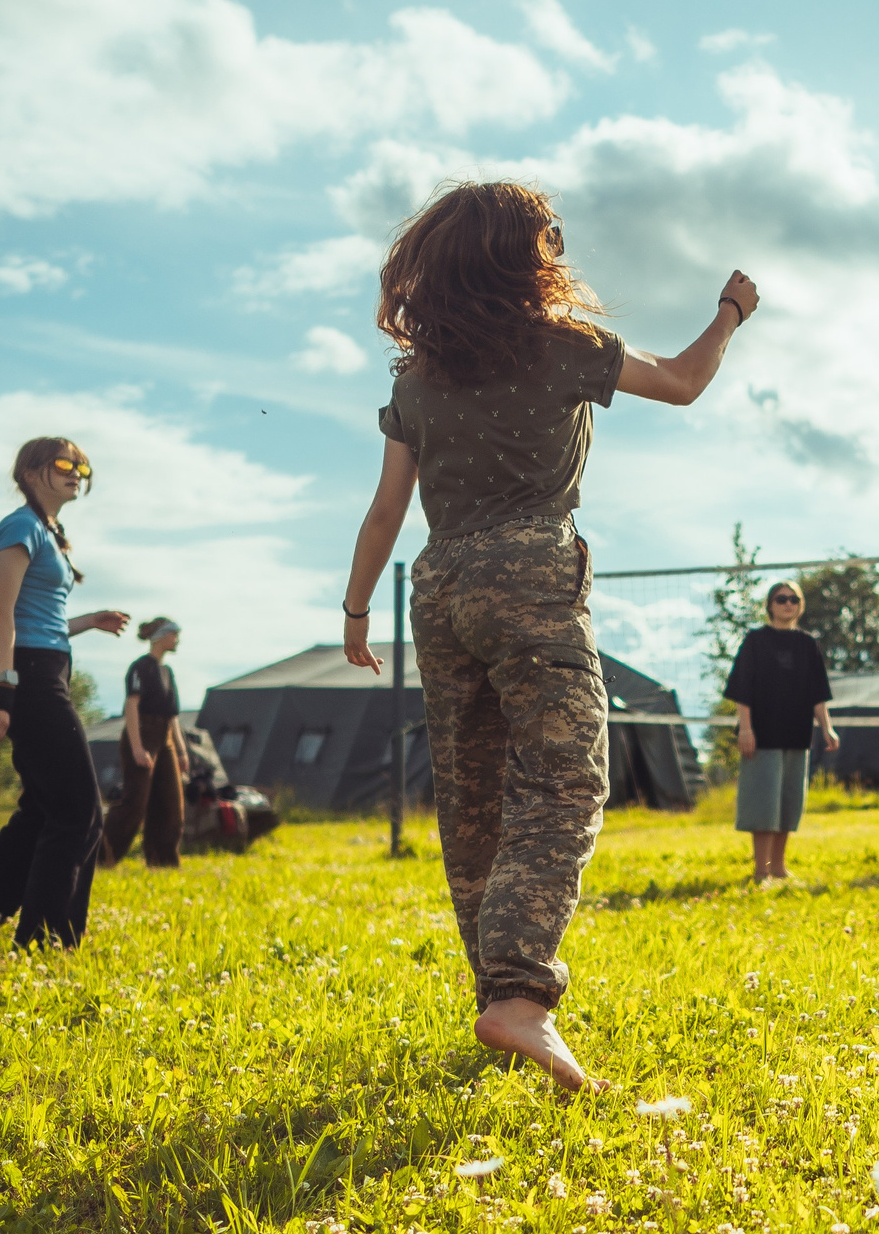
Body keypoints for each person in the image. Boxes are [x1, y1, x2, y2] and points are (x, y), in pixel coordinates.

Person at [340, 179, 759, 1092]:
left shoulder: (417, 378)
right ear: (524, 258)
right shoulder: (565, 344)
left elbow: (384, 510)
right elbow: (684, 382)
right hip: (531, 570)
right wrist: (729, 312)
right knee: (566, 778)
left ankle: (496, 993)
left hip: (438, 584)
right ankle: (522, 997)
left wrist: (355, 609)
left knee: (474, 798)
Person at [0, 438, 130, 948]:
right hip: (27, 676)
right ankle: (47, 940)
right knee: (79, 813)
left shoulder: (47, 531)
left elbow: (38, 621)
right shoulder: (20, 527)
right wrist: (4, 693)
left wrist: (89, 622)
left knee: (46, 806)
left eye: (83, 465)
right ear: (30, 472)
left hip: (44, 666)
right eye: (64, 463)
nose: (77, 472)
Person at [726, 582, 839, 881]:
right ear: (770, 605)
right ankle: (760, 870)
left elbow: (818, 693)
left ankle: (778, 867)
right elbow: (742, 689)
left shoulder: (808, 644)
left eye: (794, 599)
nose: (788, 604)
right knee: (764, 803)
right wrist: (746, 729)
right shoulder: (755, 640)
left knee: (789, 803)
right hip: (762, 736)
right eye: (781, 599)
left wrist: (827, 728)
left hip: (797, 734)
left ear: (800, 605)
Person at [101, 617, 188, 868]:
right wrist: (137, 747)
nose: (177, 640)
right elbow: (132, 705)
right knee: (135, 804)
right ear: (161, 636)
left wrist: (181, 752)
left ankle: (163, 861)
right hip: (142, 733)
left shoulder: (167, 672)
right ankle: (102, 856)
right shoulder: (140, 667)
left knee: (171, 803)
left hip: (166, 738)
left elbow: (172, 716)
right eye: (174, 634)